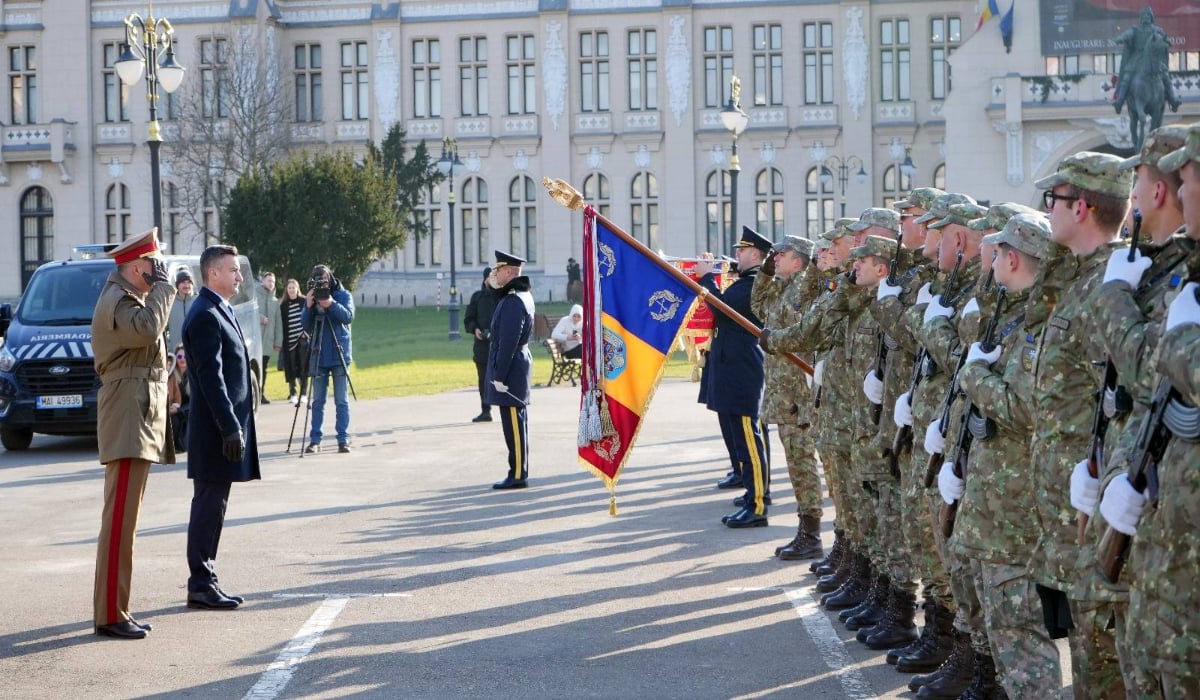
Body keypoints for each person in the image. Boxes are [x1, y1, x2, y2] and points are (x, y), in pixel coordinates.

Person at [91, 228, 176, 640]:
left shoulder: (132, 299)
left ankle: (117, 607)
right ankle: (110, 612)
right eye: (153, 267)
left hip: (136, 412)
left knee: (127, 520)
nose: (157, 273)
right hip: (127, 413)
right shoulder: (119, 301)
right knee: (120, 519)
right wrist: (164, 290)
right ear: (137, 266)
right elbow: (144, 331)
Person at [182, 244, 261, 611]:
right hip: (215, 429)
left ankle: (206, 579)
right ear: (213, 273)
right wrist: (230, 426)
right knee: (208, 505)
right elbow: (211, 379)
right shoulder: (204, 315)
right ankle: (200, 582)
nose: (239, 277)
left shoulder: (218, 308)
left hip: (222, 427)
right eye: (233, 270)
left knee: (216, 505)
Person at [695, 226, 771, 528]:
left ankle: (758, 504)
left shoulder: (752, 285)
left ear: (755, 255)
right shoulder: (745, 282)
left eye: (741, 251)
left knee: (749, 439)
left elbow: (721, 308)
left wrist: (706, 277)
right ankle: (752, 497)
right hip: (734, 367)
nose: (736, 255)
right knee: (743, 438)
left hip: (743, 369)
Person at [487, 249, 535, 489]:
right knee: (516, 421)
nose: (495, 274)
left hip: (511, 366)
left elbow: (508, 341)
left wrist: (499, 375)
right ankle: (518, 470)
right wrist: (493, 285)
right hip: (517, 364)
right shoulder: (518, 295)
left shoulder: (515, 300)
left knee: (514, 423)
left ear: (508, 272)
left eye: (498, 270)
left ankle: (517, 474)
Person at [302, 264, 355, 453]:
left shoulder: (343, 295)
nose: (321, 283)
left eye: (324, 279)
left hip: (339, 352)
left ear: (330, 277)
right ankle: (315, 440)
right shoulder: (312, 296)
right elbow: (305, 325)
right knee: (317, 401)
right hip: (319, 353)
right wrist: (308, 307)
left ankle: (343, 439)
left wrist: (330, 304)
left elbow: (348, 317)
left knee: (341, 400)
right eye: (318, 280)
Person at [464, 267, 497, 422]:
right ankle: (486, 410)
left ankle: (507, 409)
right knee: (483, 379)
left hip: (499, 345)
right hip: (482, 347)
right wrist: (475, 329)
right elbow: (468, 319)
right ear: (485, 279)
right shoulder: (477, 298)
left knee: (501, 378)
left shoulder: (502, 297)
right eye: (491, 277)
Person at [277, 278, 308, 405]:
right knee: (290, 368)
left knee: (303, 367)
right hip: (289, 341)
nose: (291, 290)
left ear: (297, 289)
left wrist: (306, 333)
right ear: (287, 290)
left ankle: (304, 394)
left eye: (293, 287)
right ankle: (293, 393)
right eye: (289, 288)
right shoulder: (283, 305)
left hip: (302, 339)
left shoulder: (304, 301)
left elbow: (309, 317)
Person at [255, 272, 281, 404]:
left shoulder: (276, 302)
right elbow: (249, 312)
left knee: (263, 369)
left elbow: (278, 324)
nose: (271, 283)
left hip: (268, 342)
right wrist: (261, 318)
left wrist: (278, 342)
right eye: (269, 280)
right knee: (252, 368)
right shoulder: (254, 296)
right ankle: (252, 394)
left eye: (273, 281)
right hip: (254, 339)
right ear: (262, 281)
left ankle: (261, 394)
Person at [166, 268, 196, 353]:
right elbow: (163, 329)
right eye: (183, 282)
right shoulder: (170, 304)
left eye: (189, 282)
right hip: (176, 354)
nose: (186, 285)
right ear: (177, 285)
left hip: (196, 352)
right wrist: (169, 347)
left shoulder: (198, 302)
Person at [167, 343, 190, 453]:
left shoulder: (194, 376)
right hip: (175, 412)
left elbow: (195, 403)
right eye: (179, 357)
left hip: (189, 413)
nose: (182, 359)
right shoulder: (171, 375)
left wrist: (179, 410)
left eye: (185, 356)